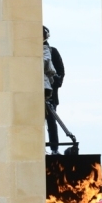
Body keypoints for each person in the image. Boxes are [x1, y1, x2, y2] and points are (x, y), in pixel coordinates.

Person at [43, 26, 63, 155]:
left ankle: (54, 149)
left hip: (49, 93)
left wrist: (53, 83)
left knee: (51, 120)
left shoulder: (52, 51)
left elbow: (61, 71)